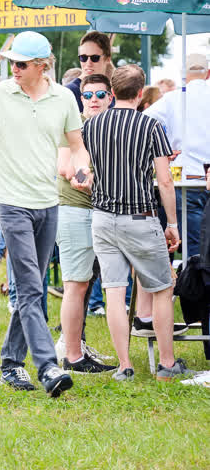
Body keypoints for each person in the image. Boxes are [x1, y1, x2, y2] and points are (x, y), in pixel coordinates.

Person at [0, 31, 88, 397]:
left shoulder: (64, 97)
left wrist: (83, 169)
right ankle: (48, 366)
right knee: (31, 285)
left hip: (47, 202)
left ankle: (10, 362)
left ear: (42, 66)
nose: (14, 69)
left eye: (21, 64)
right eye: (11, 63)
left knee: (29, 289)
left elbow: (78, 148)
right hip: (11, 200)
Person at [83, 65, 194, 381]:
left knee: (114, 291)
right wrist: (171, 222)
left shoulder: (92, 126)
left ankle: (124, 366)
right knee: (161, 287)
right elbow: (165, 181)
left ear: (113, 92)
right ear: (142, 93)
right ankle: (167, 364)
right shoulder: (151, 126)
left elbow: (89, 170)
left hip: (103, 217)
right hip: (140, 216)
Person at [54, 74, 117, 373]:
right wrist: (105, 185)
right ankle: (73, 356)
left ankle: (76, 348)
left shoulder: (113, 125)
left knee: (88, 283)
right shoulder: (73, 126)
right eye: (88, 94)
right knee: (76, 286)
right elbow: (67, 169)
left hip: (103, 213)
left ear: (111, 96)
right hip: (75, 212)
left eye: (100, 94)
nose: (93, 99)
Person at [144, 53, 210, 256]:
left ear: (183, 76)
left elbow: (144, 121)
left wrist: (163, 149)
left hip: (186, 179)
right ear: (208, 73)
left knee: (195, 248)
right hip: (206, 177)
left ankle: (196, 286)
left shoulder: (173, 98)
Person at [67, 31, 112, 112]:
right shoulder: (69, 92)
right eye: (83, 57)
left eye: (95, 58)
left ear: (108, 59)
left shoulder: (113, 90)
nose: (88, 63)